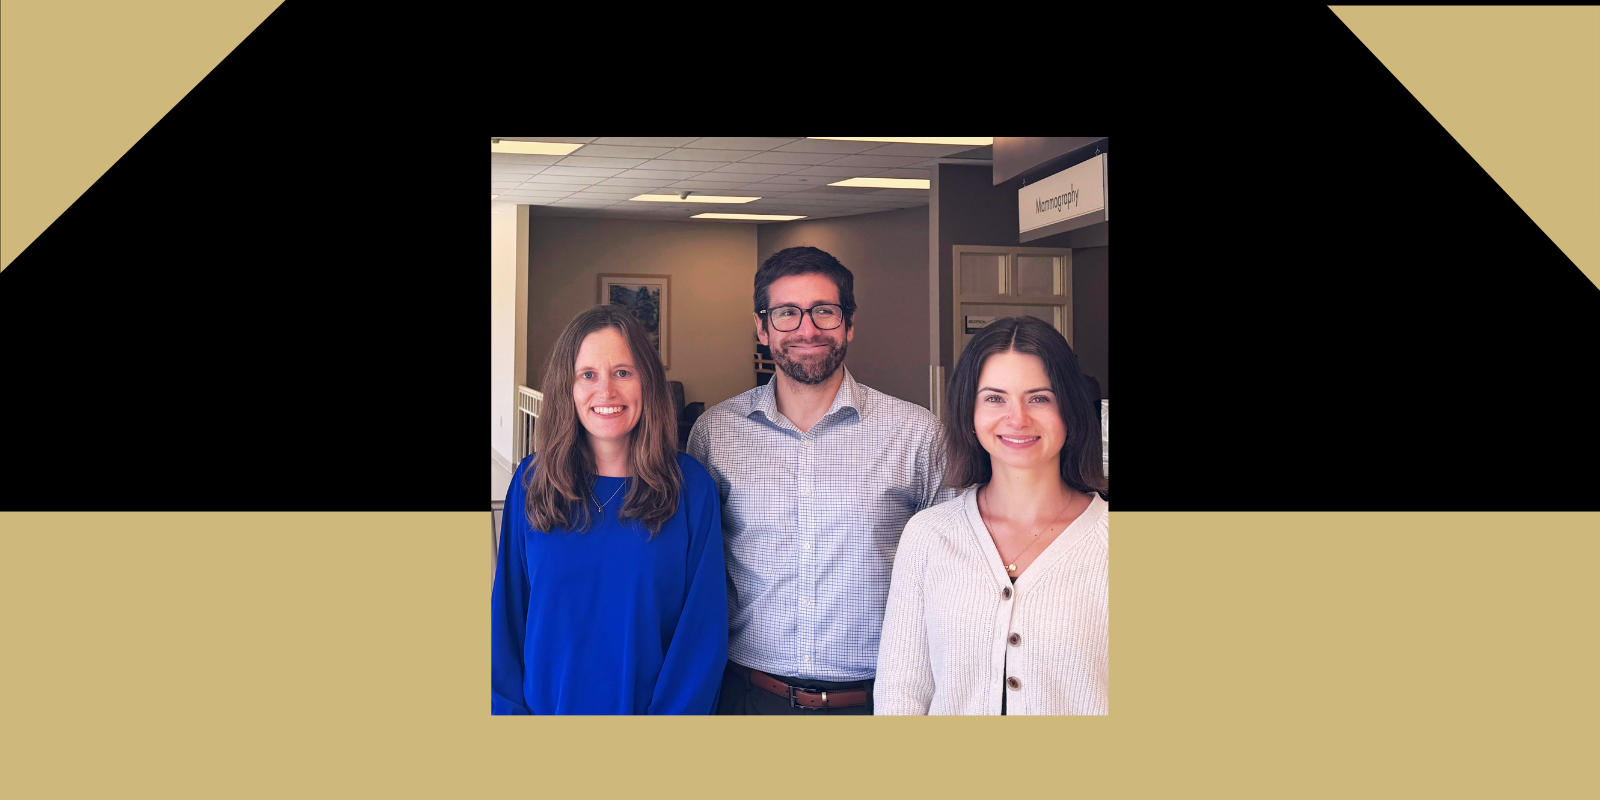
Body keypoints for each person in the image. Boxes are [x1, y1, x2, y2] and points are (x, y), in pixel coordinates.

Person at [687, 246, 955, 714]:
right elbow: (690, 569)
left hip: (878, 702)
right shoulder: (716, 432)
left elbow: (955, 573)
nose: (806, 329)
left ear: (849, 324)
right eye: (787, 313)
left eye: (824, 312)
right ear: (762, 326)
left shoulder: (916, 433)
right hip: (749, 700)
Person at [492, 304, 727, 714]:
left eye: (623, 372)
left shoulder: (690, 488)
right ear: (567, 387)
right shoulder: (533, 482)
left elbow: (701, 636)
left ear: (647, 382)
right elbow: (506, 621)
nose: (606, 392)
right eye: (588, 375)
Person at [874, 315, 1109, 715]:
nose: (1017, 418)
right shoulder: (928, 535)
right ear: (970, 412)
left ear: (1069, 409)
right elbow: (901, 693)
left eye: (1039, 397)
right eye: (995, 398)